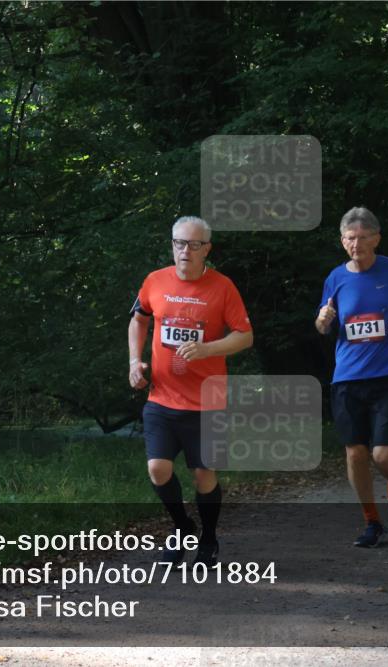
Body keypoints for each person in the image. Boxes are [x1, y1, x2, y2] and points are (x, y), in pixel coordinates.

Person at [128, 216, 253, 567]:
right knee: (158, 469)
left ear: (207, 249)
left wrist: (208, 349)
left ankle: (209, 539)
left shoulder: (222, 287)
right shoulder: (155, 281)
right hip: (162, 397)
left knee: (203, 475)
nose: (185, 250)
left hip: (207, 401)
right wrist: (135, 362)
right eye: (179, 243)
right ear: (172, 245)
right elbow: (139, 319)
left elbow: (245, 335)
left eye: (194, 245)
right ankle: (183, 527)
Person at [316, 206, 388, 548]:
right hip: (347, 378)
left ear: (376, 239)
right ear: (342, 241)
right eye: (350, 238)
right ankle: (371, 521)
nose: (357, 244)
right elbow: (323, 326)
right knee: (355, 454)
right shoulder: (335, 278)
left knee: (382, 454)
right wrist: (323, 319)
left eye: (364, 237)